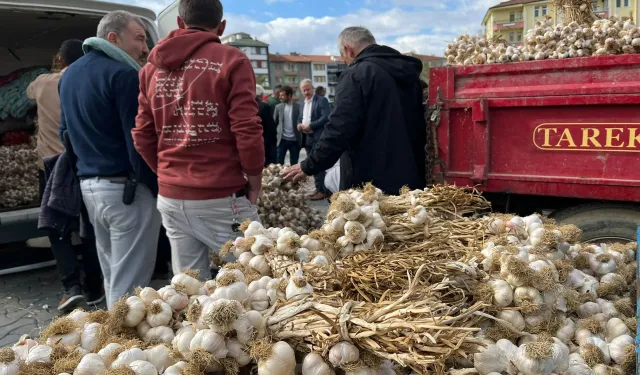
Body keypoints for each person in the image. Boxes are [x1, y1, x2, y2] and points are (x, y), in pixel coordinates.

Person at [133, 0, 264, 279]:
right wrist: (254, 181)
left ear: (180, 23)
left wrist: (167, 173)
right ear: (221, 27)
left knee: (189, 288)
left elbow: (142, 134)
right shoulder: (232, 60)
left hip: (171, 196)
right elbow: (247, 128)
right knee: (259, 279)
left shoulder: (149, 69)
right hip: (220, 196)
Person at [59, 10, 161, 308]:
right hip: (128, 191)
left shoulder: (69, 77)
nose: (145, 48)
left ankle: (110, 338)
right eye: (140, 38)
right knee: (130, 284)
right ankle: (122, 343)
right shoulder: (125, 76)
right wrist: (158, 189)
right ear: (113, 38)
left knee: (112, 272)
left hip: (91, 189)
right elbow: (137, 142)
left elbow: (65, 135)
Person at [282, 26, 426, 194]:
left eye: (343, 57)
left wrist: (309, 165)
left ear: (347, 50)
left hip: (373, 186)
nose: (345, 62)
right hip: (411, 180)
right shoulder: (410, 76)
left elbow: (339, 128)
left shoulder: (356, 74)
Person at [27, 39, 104, 312]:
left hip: (52, 167)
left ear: (60, 60)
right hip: (84, 164)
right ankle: (95, 287)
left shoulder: (43, 83)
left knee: (56, 227)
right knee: (90, 227)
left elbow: (26, 94)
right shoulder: (92, 80)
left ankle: (72, 287)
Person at [296, 79, 330, 200]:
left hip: (318, 136)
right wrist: (299, 125)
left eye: (308, 89)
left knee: (318, 163)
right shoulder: (302, 103)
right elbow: (300, 118)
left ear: (313, 88)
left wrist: (311, 125)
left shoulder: (321, 100)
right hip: (307, 138)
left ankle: (322, 190)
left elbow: (326, 117)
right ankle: (318, 188)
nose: (306, 92)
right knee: (312, 164)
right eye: (304, 90)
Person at [273, 85, 302, 165]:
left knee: (294, 163)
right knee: (279, 163)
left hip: (295, 140)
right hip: (282, 140)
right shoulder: (278, 107)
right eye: (279, 95)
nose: (280, 97)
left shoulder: (298, 107)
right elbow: (274, 123)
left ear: (289, 95)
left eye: (282, 95)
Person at [256, 84, 277, 166]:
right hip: (265, 143)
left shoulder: (246, 106)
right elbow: (271, 128)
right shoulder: (264, 106)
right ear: (260, 95)